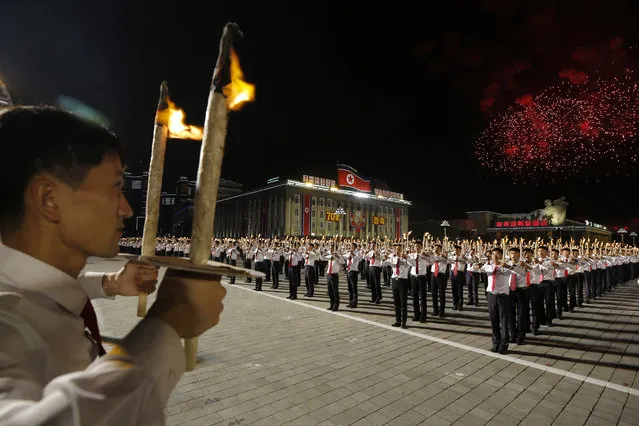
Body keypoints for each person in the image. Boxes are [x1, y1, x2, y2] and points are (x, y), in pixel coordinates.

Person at [0, 106, 226, 424]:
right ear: (48, 198)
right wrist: (168, 321)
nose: (127, 209)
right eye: (116, 188)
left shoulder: (31, 292)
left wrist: (110, 283)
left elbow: (35, 292)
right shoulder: (9, 325)